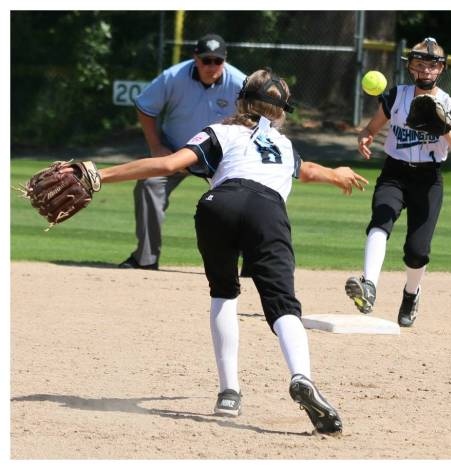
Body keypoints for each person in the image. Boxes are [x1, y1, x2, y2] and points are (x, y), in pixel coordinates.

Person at [88, 69, 366, 433]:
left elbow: (169, 164)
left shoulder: (221, 131)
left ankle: (229, 393)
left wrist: (100, 175)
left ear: (240, 101)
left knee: (224, 292)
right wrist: (338, 172)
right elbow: (307, 171)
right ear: (280, 112)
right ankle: (302, 377)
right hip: (266, 211)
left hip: (217, 204)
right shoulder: (282, 145)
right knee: (283, 304)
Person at [347, 37, 451, 328]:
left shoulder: (449, 105)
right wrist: (364, 137)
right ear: (410, 67)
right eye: (419, 64)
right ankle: (369, 286)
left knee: (417, 252)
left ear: (441, 69)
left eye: (432, 65)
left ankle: (411, 293)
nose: (426, 70)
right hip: (395, 173)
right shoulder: (396, 97)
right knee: (381, 220)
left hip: (428, 179)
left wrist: (443, 130)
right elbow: (371, 127)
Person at [124, 33, 246, 270]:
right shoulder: (173, 77)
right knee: (150, 184)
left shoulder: (240, 83)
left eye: (217, 61)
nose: (212, 66)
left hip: (221, 157)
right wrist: (156, 147)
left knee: (246, 195)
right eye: (206, 60)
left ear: (225, 60)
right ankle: (146, 259)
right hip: (177, 152)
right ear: (195, 59)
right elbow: (145, 107)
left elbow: (259, 119)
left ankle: (250, 262)